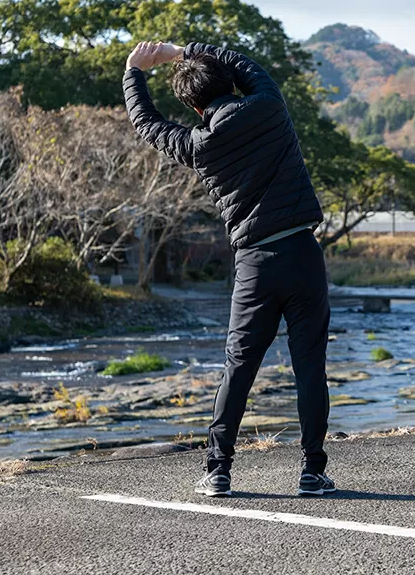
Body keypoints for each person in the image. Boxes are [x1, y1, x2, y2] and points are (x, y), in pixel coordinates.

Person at [123, 41, 335, 498]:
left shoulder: (199, 145)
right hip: (302, 252)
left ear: (194, 106)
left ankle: (218, 471)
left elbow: (148, 125)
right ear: (229, 83)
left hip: (255, 265)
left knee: (238, 368)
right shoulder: (269, 106)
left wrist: (134, 72)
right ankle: (312, 473)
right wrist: (183, 50)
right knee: (310, 366)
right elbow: (248, 65)